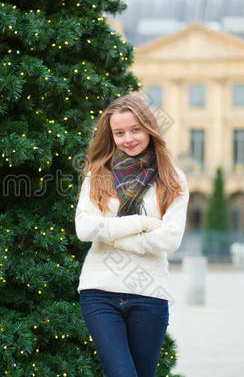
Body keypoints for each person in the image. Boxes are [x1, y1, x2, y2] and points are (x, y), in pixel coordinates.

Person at [75, 93, 189, 377]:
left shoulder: (173, 178)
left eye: (135, 129)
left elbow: (170, 239)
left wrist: (109, 233)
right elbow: (85, 229)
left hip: (149, 293)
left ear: (149, 129)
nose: (129, 138)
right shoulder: (97, 175)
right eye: (119, 132)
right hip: (100, 291)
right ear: (111, 136)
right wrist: (142, 222)